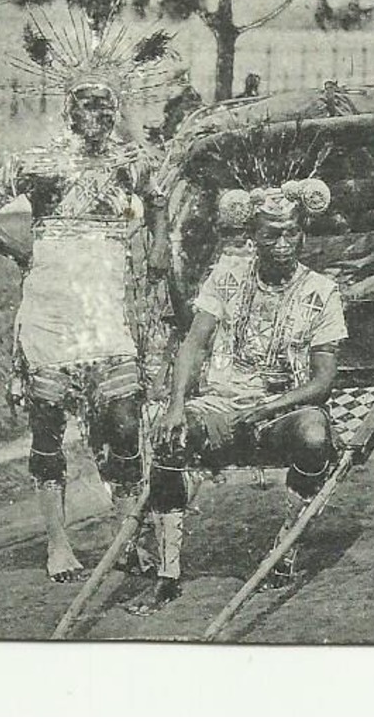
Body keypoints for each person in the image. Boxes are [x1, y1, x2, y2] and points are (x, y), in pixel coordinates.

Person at [0, 15, 177, 583]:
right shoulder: (37, 163)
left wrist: (157, 247)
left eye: (107, 106)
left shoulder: (131, 162)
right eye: (87, 105)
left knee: (125, 421)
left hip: (107, 307)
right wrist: (18, 252)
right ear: (68, 109)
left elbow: (158, 203)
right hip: (52, 308)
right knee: (48, 427)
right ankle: (58, 543)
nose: (99, 115)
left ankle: (126, 535)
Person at [128, 179, 346, 614]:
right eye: (271, 234)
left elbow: (322, 383)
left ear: (302, 233)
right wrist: (175, 407)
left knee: (315, 434)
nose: (283, 244)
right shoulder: (227, 277)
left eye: (290, 233)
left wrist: (268, 407)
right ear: (253, 237)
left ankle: (285, 549)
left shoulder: (322, 291)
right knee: (170, 437)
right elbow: (193, 343)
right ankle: (168, 574)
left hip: (283, 409)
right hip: (222, 404)